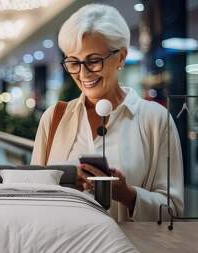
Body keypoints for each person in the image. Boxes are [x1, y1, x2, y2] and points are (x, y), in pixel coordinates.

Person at [31, 4, 184, 222]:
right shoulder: (54, 118)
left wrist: (127, 195)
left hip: (129, 252)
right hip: (63, 250)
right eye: (74, 62)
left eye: (93, 60)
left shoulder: (155, 120)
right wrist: (64, 184)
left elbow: (174, 211)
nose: (83, 73)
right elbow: (31, 194)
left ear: (121, 57)